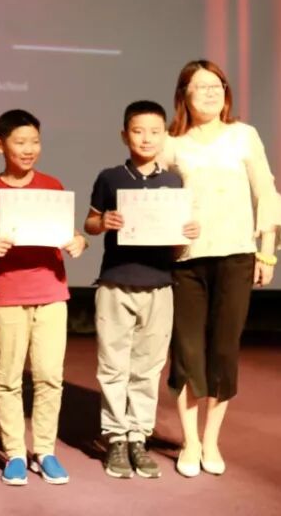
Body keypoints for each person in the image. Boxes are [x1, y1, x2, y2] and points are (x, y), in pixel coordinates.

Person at [158, 59, 281, 478]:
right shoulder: (172, 143)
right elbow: (152, 194)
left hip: (237, 254)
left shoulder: (244, 135)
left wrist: (267, 253)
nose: (210, 92)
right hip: (186, 259)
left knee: (223, 350)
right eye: (201, 86)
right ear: (183, 94)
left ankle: (210, 441)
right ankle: (188, 442)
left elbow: (266, 193)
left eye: (217, 85)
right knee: (187, 352)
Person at [0, 109, 88, 486]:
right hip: (9, 295)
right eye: (20, 142)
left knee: (50, 376)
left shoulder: (52, 186)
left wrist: (79, 241)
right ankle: (16, 453)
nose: (29, 149)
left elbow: (71, 234)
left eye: (35, 141)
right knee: (8, 378)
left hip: (51, 292)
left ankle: (45, 451)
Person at [83, 101, 200, 480]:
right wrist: (104, 221)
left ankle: (138, 436)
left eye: (154, 131)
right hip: (115, 282)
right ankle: (116, 437)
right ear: (124, 135)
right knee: (113, 365)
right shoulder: (110, 177)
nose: (146, 138)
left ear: (165, 135)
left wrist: (188, 233)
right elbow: (89, 223)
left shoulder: (174, 182)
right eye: (137, 131)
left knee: (148, 368)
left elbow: (178, 241)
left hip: (159, 284)